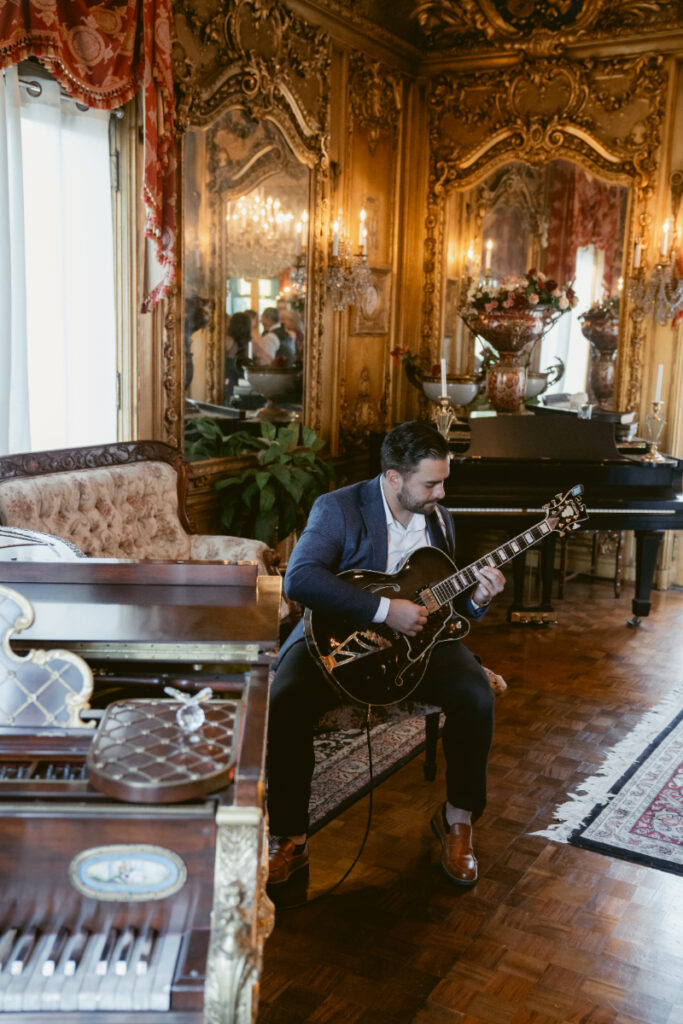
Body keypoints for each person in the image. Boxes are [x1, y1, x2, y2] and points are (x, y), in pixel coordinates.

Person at [267, 420, 505, 889]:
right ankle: (291, 837)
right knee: (287, 699)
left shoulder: (439, 518)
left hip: (419, 644)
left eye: (443, 482)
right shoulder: (338, 508)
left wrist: (478, 598)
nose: (441, 493)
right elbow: (301, 578)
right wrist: (383, 610)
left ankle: (457, 820)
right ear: (394, 478)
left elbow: (449, 602)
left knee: (476, 696)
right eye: (431, 484)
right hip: (336, 639)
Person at [224, 311, 251, 403]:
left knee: (227, 398)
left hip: (227, 372)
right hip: (239, 374)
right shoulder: (248, 343)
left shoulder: (228, 340)